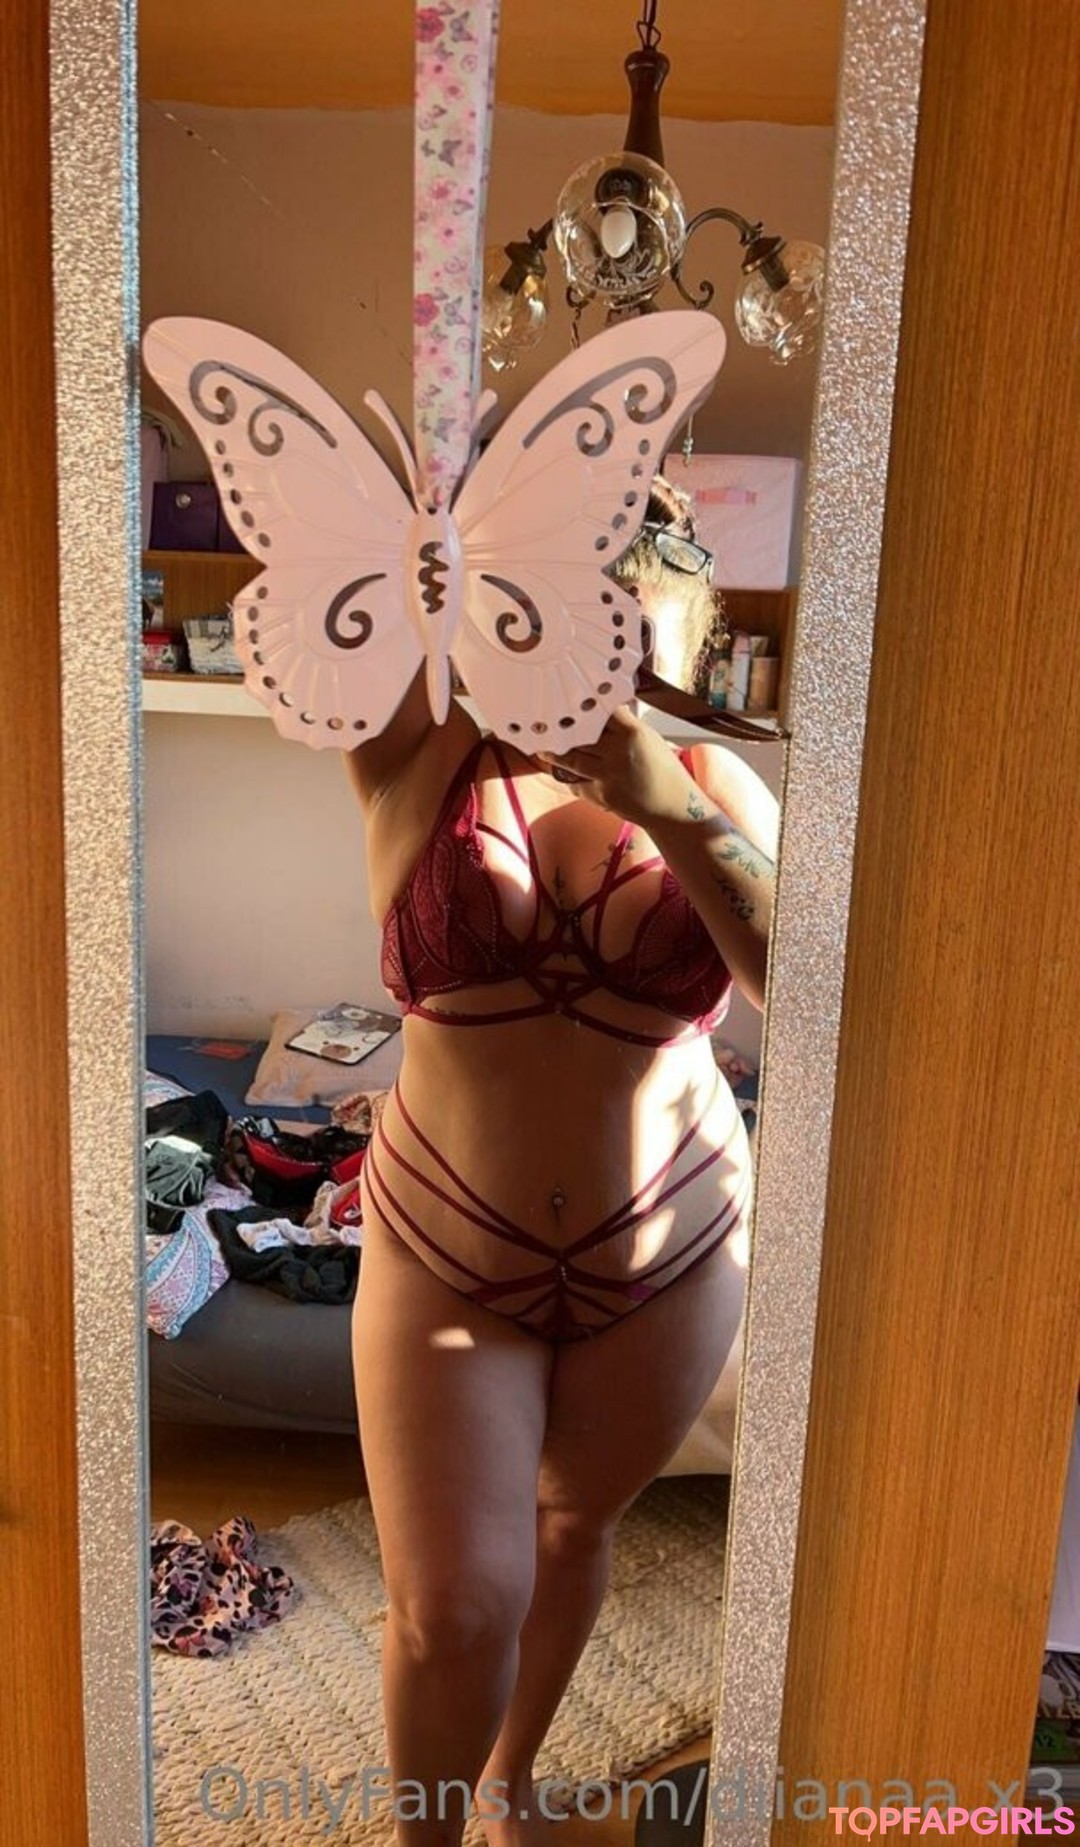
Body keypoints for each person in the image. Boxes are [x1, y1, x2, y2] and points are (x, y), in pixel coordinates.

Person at [345, 476, 779, 1847]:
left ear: (682, 635)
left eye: (627, 627)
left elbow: (803, 988)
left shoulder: (718, 786)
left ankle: (511, 1782)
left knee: (575, 1530)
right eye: (551, 612)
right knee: (454, 1603)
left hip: (672, 1248)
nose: (587, 656)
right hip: (444, 1244)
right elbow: (343, 589)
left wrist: (661, 797)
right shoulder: (416, 750)